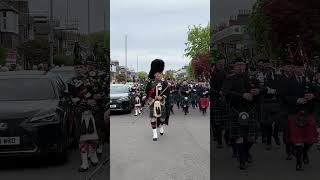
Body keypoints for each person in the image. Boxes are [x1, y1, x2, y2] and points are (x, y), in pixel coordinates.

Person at [222, 57, 260, 170]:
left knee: (251, 138)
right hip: (236, 110)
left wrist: (258, 91)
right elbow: (226, 92)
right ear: (234, 67)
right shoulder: (229, 79)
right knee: (239, 138)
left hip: (250, 110)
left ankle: (245, 152)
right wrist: (242, 95)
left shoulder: (252, 78)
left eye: (242, 64)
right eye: (237, 65)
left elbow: (262, 89)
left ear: (245, 66)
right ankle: (242, 160)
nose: (240, 67)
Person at [282, 60, 318, 170]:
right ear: (294, 68)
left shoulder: (309, 80)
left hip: (308, 112)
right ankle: (298, 163)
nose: (300, 69)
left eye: (302, 67)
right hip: (294, 113)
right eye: (298, 67)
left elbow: (318, 93)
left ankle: (304, 153)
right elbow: (284, 97)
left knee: (310, 140)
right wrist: (297, 100)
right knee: (298, 141)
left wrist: (312, 96)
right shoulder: (288, 81)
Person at [68, 58, 100, 172]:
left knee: (94, 138)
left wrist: (96, 99)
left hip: (93, 111)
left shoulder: (91, 81)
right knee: (82, 138)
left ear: (84, 68)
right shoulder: (71, 82)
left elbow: (97, 94)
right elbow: (73, 98)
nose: (78, 69)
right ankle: (84, 162)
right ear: (74, 68)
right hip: (80, 113)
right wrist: (86, 101)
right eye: (76, 67)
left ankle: (93, 154)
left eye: (80, 67)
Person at [143, 59, 169, 141]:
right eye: (156, 74)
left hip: (161, 102)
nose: (158, 75)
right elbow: (146, 91)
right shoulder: (150, 82)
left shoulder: (164, 82)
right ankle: (154, 133)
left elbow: (167, 92)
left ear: (161, 74)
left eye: (159, 74)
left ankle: (161, 125)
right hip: (152, 101)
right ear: (154, 74)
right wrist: (147, 97)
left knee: (162, 118)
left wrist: (162, 97)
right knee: (153, 117)